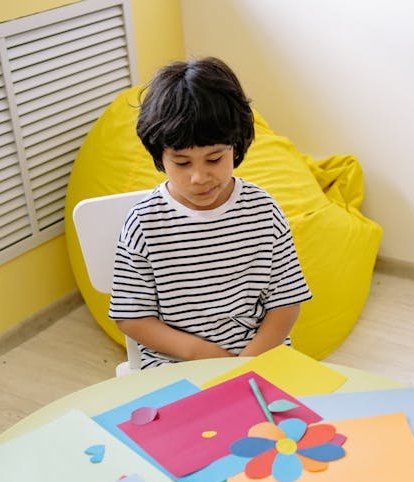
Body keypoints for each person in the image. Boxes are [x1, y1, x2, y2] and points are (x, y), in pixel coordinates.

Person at [108, 57, 312, 369]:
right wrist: (203, 356)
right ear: (160, 156)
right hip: (177, 363)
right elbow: (132, 317)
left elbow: (286, 302)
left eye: (214, 159)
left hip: (260, 356)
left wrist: (245, 363)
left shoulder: (263, 211)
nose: (199, 177)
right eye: (182, 162)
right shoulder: (145, 223)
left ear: (236, 147)